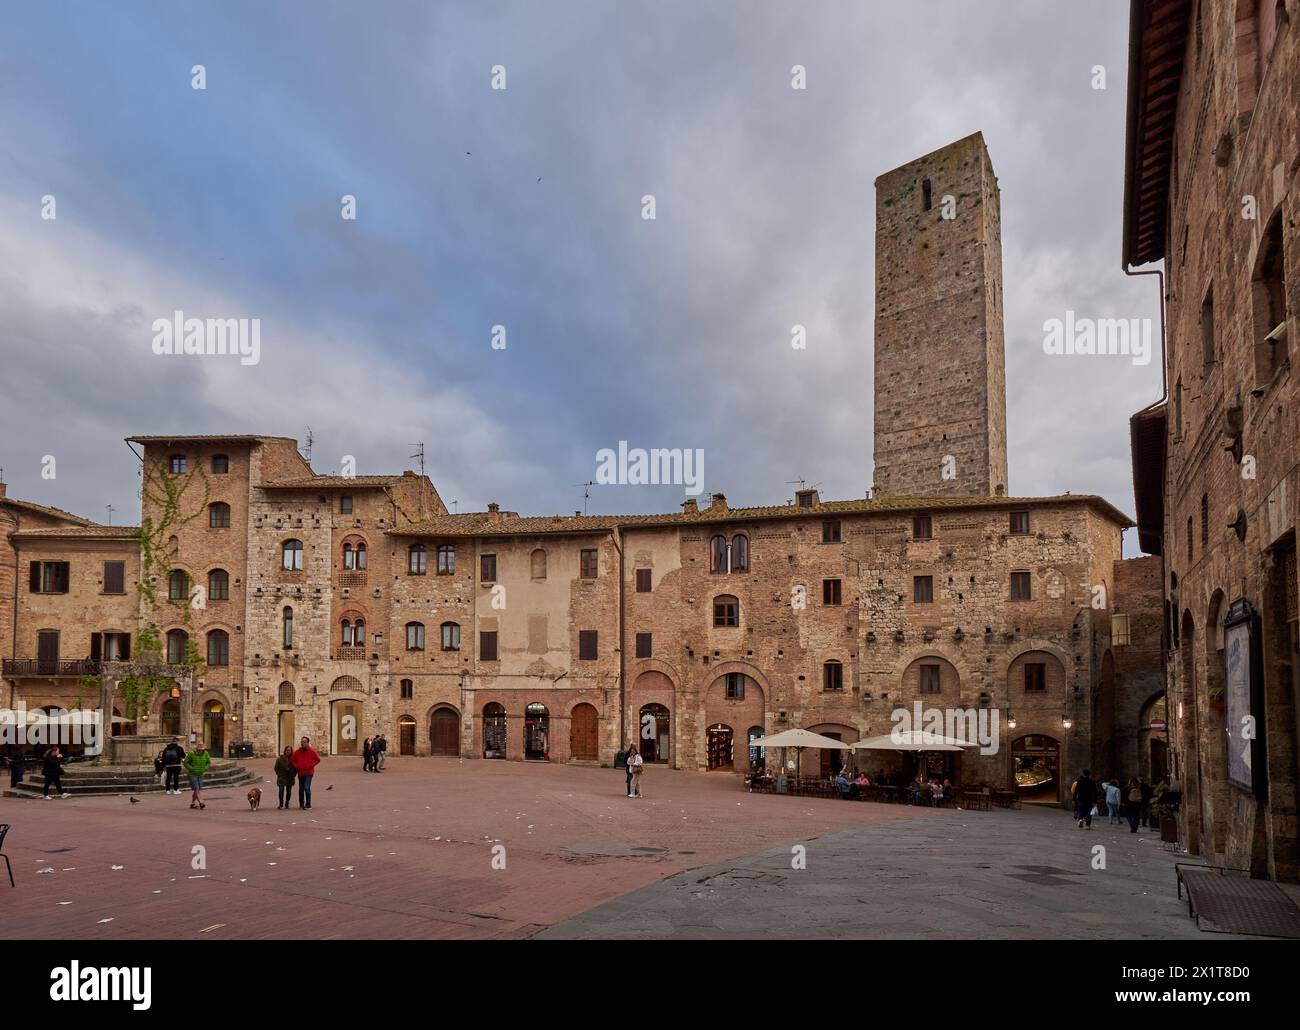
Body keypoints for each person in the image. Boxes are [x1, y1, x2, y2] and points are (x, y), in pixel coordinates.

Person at [292, 735, 321, 810]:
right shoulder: (297, 752)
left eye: (304, 742)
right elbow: (293, 760)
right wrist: (297, 766)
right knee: (301, 789)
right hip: (300, 772)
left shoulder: (312, 751)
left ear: (308, 743)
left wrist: (312, 765)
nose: (302, 743)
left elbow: (318, 759)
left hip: (309, 772)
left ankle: (308, 804)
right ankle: (301, 803)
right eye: (302, 742)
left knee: (306, 787)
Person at [183, 740, 211, 809]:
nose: (201, 746)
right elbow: (185, 762)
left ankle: (192, 804)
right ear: (196, 746)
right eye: (199, 745)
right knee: (196, 788)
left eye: (202, 745)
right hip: (192, 774)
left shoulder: (206, 753)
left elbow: (208, 762)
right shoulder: (191, 753)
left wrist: (205, 768)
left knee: (197, 789)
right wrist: (191, 768)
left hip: (201, 774)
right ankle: (201, 802)